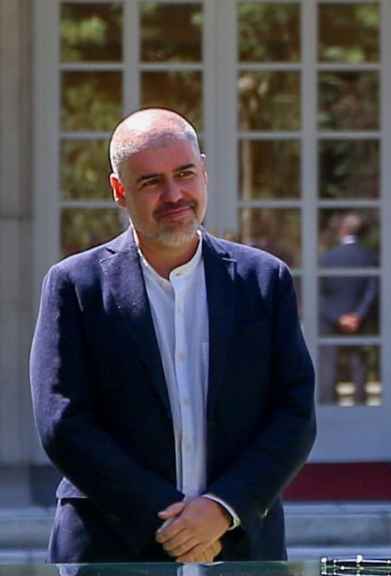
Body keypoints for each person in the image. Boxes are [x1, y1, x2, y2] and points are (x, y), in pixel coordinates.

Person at [29, 108, 317, 563]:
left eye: (185, 174)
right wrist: (170, 521)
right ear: (120, 191)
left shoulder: (265, 281)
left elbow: (294, 411)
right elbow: (63, 423)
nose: (174, 194)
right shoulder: (75, 286)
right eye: (150, 181)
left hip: (239, 547)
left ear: (203, 172)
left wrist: (222, 510)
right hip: (111, 549)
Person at [318, 212, 379, 405]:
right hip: (359, 319)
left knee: (328, 364)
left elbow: (319, 293)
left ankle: (328, 404)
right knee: (359, 364)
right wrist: (358, 315)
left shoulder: (327, 258)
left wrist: (337, 316)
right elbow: (373, 289)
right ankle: (360, 404)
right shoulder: (371, 257)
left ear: (343, 230)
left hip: (330, 319)